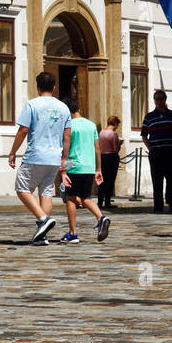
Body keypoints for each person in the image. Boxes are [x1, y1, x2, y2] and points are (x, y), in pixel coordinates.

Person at [8, 70, 71, 244]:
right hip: (53, 157)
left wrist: (13, 151)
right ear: (54, 87)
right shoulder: (63, 107)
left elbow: (23, 130)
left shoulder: (32, 105)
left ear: (37, 86)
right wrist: (64, 158)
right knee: (46, 192)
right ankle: (42, 234)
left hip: (35, 155)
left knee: (22, 189)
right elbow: (67, 135)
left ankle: (43, 219)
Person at [60, 99, 111, 243]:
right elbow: (97, 148)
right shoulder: (91, 125)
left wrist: (62, 167)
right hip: (89, 166)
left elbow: (66, 147)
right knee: (85, 198)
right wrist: (98, 169)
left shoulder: (68, 125)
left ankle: (73, 233)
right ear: (79, 109)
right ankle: (101, 217)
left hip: (73, 164)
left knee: (70, 197)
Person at [141, 90, 172, 213]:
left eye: (161, 98)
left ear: (165, 99)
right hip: (156, 153)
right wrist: (151, 149)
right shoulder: (149, 117)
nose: (158, 101)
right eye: (156, 99)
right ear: (154, 100)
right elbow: (144, 135)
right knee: (157, 180)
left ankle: (171, 202)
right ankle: (158, 206)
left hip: (170, 151)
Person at [97, 115, 123, 211]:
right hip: (111, 157)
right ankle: (107, 201)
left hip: (103, 156)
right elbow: (115, 149)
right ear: (115, 123)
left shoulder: (101, 132)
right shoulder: (113, 134)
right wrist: (119, 144)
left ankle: (100, 201)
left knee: (102, 180)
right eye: (117, 125)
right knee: (110, 180)